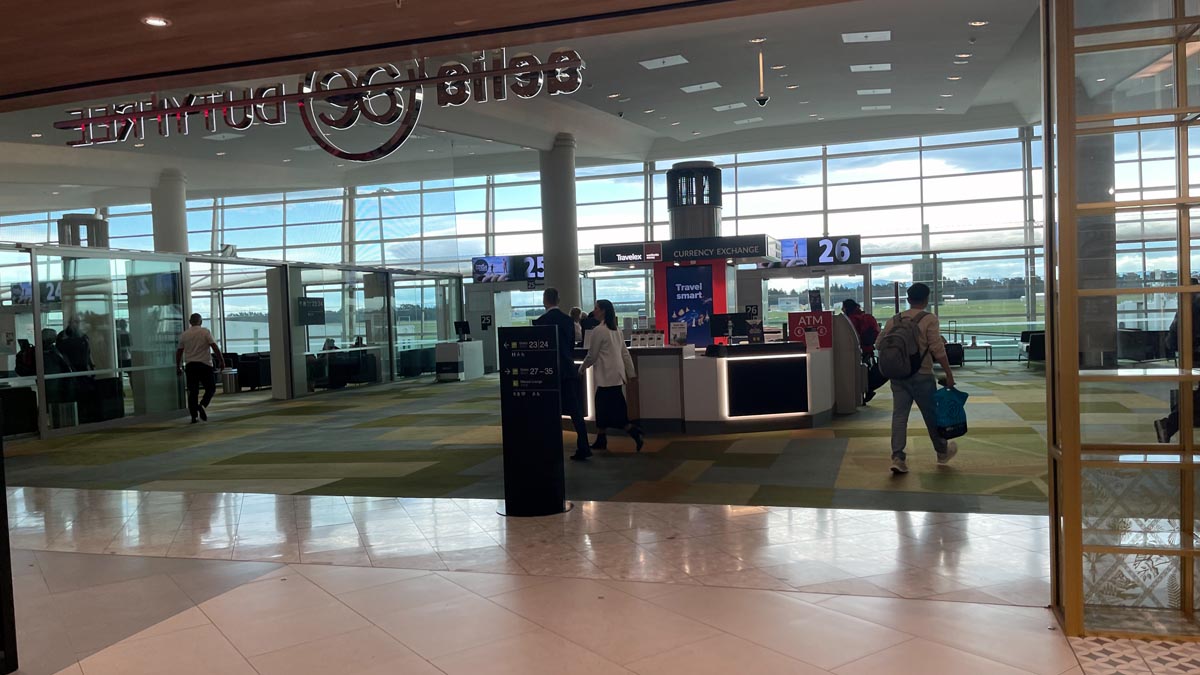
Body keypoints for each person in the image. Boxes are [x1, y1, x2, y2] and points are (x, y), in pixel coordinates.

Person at [880, 283, 956, 475]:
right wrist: (948, 373)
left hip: (898, 376)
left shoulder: (894, 320)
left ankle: (898, 457)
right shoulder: (929, 319)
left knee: (899, 416)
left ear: (908, 298)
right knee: (931, 415)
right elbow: (937, 348)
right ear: (927, 298)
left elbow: (879, 343)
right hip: (922, 375)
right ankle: (941, 451)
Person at [578, 299, 644, 452]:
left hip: (606, 376)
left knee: (606, 408)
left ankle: (631, 431)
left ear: (603, 311)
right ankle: (604, 438)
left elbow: (592, 355)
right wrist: (631, 373)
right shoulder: (616, 330)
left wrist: (582, 368)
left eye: (596, 308)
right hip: (617, 375)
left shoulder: (598, 331)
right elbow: (624, 353)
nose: (594, 311)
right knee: (611, 407)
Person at [533, 288, 591, 460]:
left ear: (545, 300)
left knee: (548, 411)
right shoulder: (568, 321)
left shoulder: (540, 322)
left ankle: (549, 447)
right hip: (567, 370)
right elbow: (571, 346)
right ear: (558, 300)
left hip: (548, 372)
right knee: (575, 412)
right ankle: (584, 446)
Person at [1156, 281, 1200, 442]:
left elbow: (1174, 335)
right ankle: (1170, 424)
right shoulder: (1195, 303)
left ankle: (1170, 424)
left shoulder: (1187, 305)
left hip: (1190, 352)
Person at [175, 313, 225, 424]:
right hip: (205, 365)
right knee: (211, 388)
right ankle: (201, 405)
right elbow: (214, 347)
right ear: (200, 321)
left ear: (190, 322)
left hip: (191, 366)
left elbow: (179, 352)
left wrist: (177, 366)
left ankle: (194, 417)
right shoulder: (205, 332)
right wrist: (221, 360)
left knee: (193, 392)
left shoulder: (184, 335)